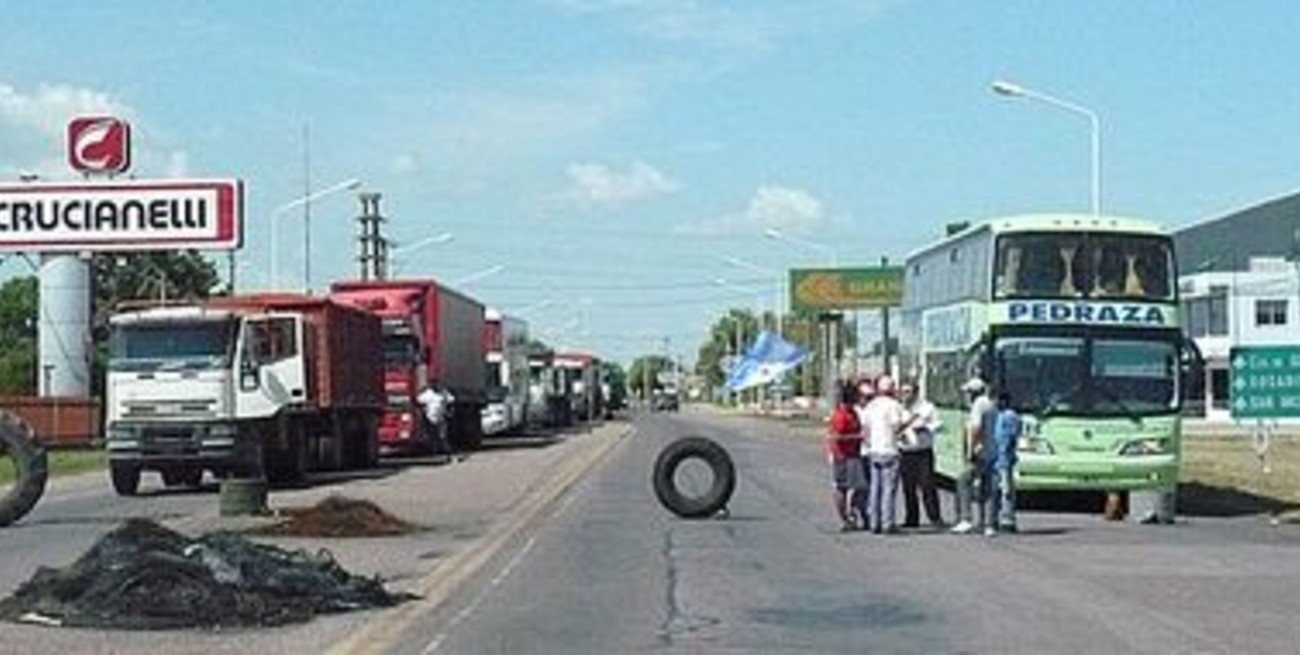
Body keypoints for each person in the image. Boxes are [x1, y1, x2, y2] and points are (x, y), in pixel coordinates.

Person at [862, 374, 905, 535]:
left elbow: (865, 429)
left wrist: (869, 443)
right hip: (890, 450)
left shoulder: (871, 405)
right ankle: (887, 523)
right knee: (888, 489)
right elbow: (895, 427)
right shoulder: (893, 405)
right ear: (892, 389)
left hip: (874, 450)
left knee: (875, 487)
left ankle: (874, 522)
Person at [951, 376, 994, 534]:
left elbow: (976, 428)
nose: (967, 396)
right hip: (991, 451)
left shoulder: (978, 404)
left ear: (974, 393)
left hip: (979, 452)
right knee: (986, 488)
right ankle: (988, 524)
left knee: (963, 481)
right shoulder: (990, 403)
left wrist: (971, 449)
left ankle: (965, 518)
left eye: (968, 392)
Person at [899, 380, 943, 528]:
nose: (905, 395)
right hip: (905, 452)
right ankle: (912, 518)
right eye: (903, 392)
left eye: (908, 392)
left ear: (916, 393)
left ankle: (935, 518)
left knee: (927, 485)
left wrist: (925, 427)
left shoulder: (927, 407)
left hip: (923, 452)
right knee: (908, 488)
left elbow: (938, 424)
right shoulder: (898, 408)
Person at [825, 382, 867, 531]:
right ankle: (845, 519)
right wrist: (858, 436)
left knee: (859, 487)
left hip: (853, 454)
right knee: (843, 487)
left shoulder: (852, 412)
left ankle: (853, 514)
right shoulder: (842, 415)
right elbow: (837, 437)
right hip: (844, 456)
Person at [982, 391, 1022, 535]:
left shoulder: (1010, 416)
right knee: (997, 490)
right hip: (997, 458)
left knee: (1006, 491)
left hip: (1003, 460)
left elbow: (1008, 440)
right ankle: (997, 519)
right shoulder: (997, 415)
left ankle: (1008, 520)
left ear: (1002, 401)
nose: (992, 403)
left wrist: (1004, 458)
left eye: (994, 400)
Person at [416, 384, 459, 461]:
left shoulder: (444, 393)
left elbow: (452, 401)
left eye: (436, 384)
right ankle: (434, 453)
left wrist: (450, 412)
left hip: (441, 419)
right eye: (433, 384)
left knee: (443, 437)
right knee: (432, 437)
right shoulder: (427, 394)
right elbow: (418, 401)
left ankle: (448, 453)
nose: (435, 387)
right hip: (430, 419)